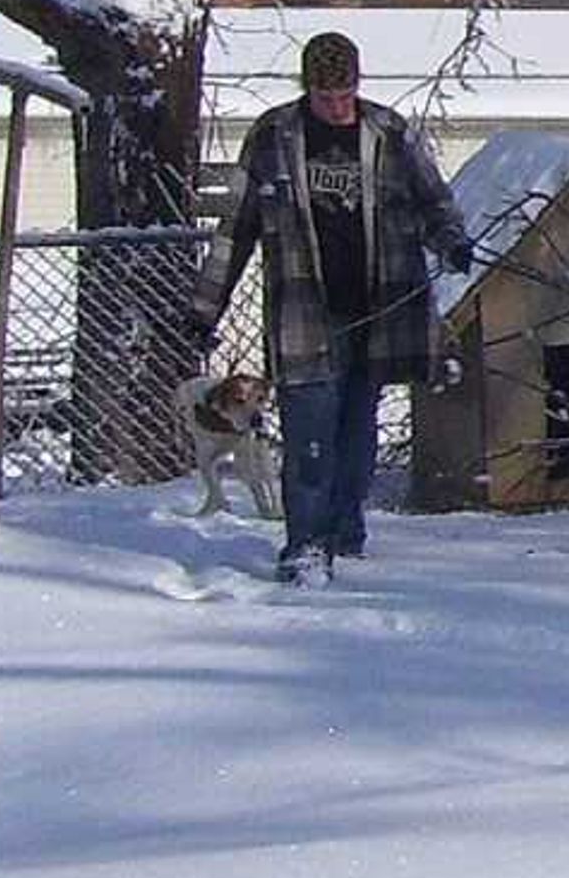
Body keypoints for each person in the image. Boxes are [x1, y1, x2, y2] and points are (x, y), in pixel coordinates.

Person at [202, 31, 473, 580]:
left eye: (345, 93)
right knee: (308, 433)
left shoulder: (388, 133)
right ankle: (305, 544)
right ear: (307, 89)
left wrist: (452, 240)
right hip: (304, 312)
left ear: (358, 83)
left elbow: (433, 203)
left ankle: (346, 535)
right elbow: (237, 228)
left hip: (380, 312)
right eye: (325, 96)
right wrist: (205, 307)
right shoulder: (275, 136)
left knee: (357, 434)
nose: (336, 105)